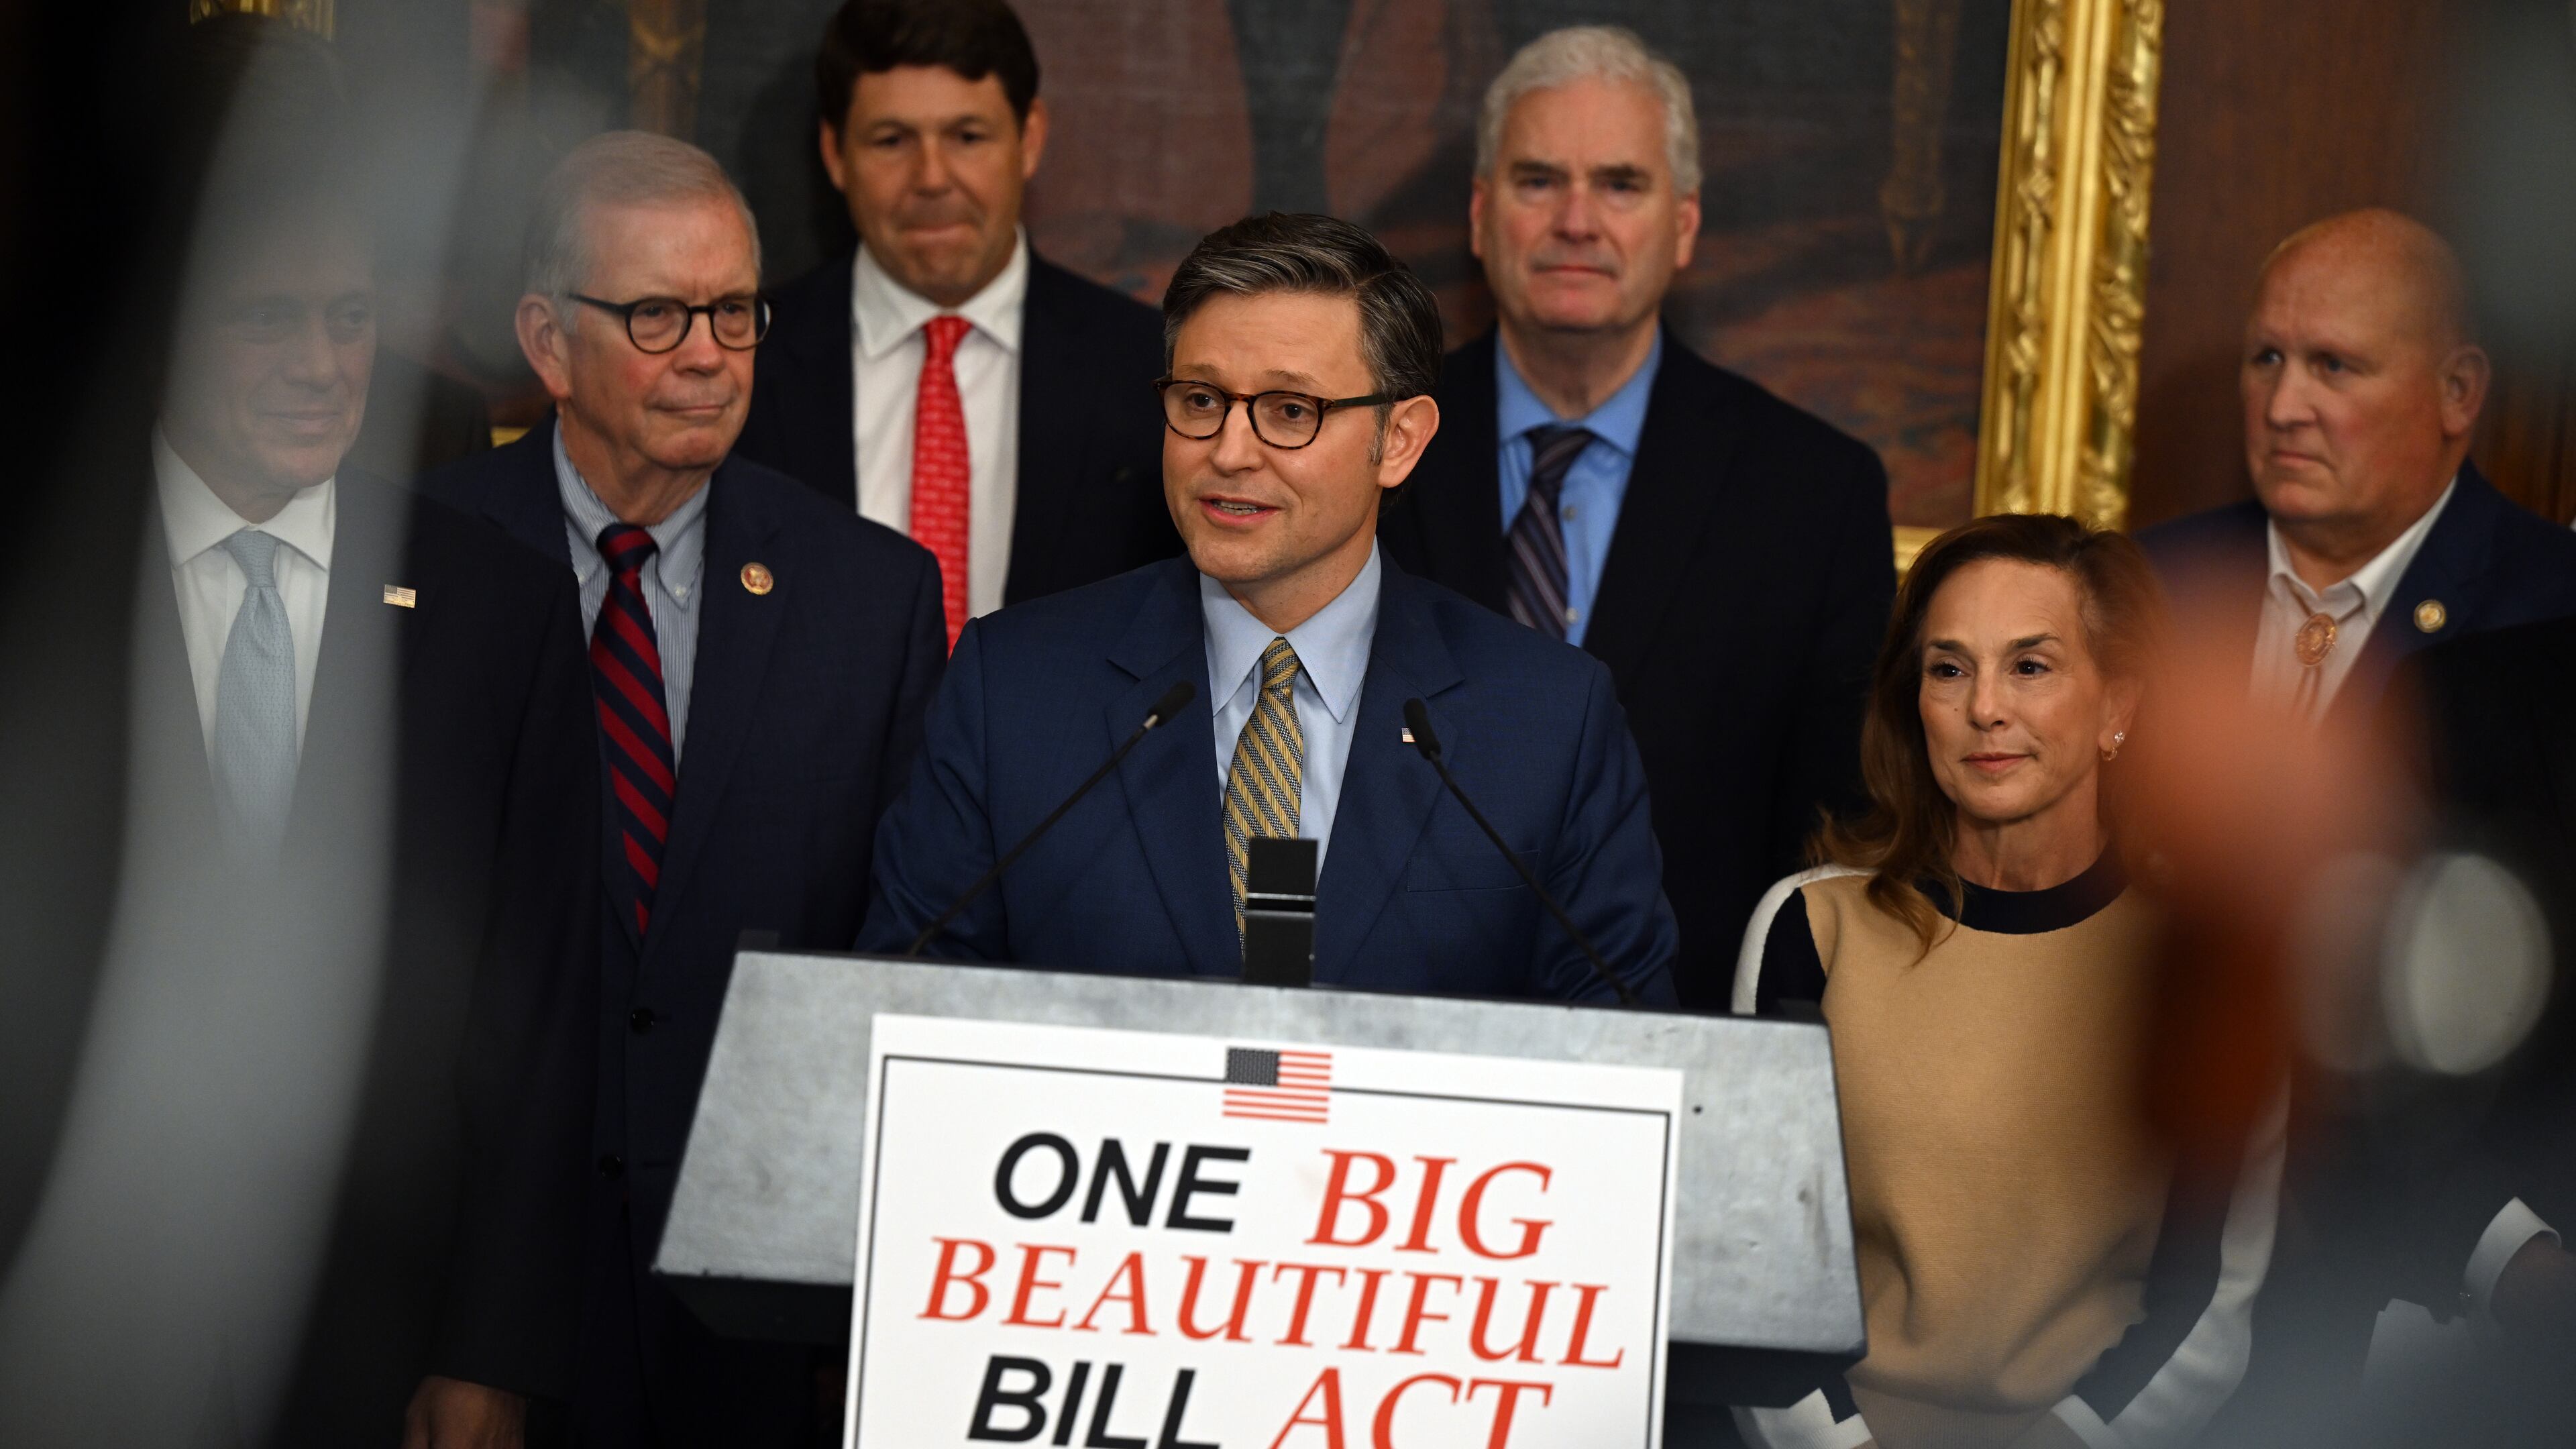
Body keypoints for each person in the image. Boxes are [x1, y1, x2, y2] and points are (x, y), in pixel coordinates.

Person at [0, 17, 597, 1447]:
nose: (323, 363)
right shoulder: (40, 597)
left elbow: (542, 1016)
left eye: (347, 316)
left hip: (373, 1349)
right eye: (266, 317)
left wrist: (492, 1354)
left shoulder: (497, 608)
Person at [422, 131, 946, 1446]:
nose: (709, 353)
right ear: (547, 342)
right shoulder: (411, 557)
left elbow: (894, 968)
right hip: (460, 1305)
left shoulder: (870, 597)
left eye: (732, 312)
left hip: (758, 1339)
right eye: (657, 315)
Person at [859, 211, 1677, 1004]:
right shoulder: (1014, 688)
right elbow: (902, 1009)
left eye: (1292, 410)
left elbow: (1628, 1053)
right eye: (1201, 400)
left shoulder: (1548, 722)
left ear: (1398, 441)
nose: (1230, 451)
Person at [1733, 515, 2282, 1449]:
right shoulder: (1811, 927)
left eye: (2031, 666)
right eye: (1949, 669)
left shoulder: (2208, 945)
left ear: (2121, 705)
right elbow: (1752, 1271)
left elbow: (2206, 1308)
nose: (1985, 707)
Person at [1377, 25, 1894, 1010]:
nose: (1578, 221)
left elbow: (1831, 853)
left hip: (1683, 1050)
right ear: (1482, 217)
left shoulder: (1814, 494)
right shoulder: (1363, 452)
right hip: (1388, 1039)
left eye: (1621, 185)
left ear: (1685, 223)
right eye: (1538, 182)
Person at [734, 0, 1173, 646]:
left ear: (1029, 139)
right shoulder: (744, 359)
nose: (932, 179)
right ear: (835, 154)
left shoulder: (1152, 370)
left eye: (967, 137)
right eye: (892, 141)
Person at [2139, 208, 2576, 725]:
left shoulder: (2556, 604)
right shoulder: (2153, 581)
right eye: (2268, 359)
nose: (2282, 409)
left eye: (2333, 365)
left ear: (2457, 392)